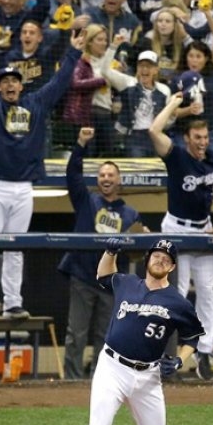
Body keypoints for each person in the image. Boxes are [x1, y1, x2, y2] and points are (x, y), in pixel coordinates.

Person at [62, 238, 204, 425]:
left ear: (172, 267)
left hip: (148, 376)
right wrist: (110, 252)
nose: (161, 260)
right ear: (148, 259)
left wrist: (179, 361)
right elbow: (103, 275)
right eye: (157, 255)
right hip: (112, 368)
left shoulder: (178, 302)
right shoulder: (127, 283)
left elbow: (193, 337)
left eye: (167, 259)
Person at [0, 23, 85, 319]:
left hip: (24, 187)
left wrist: (73, 53)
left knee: (16, 247)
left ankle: (12, 304)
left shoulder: (35, 104)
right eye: (5, 81)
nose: (10, 85)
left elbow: (58, 82)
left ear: (21, 85)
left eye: (14, 81)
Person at [149, 92, 213, 380]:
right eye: (197, 137)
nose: (203, 142)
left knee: (206, 291)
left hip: (203, 229)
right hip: (176, 229)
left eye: (205, 137)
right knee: (176, 292)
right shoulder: (177, 156)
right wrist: (173, 104)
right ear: (187, 139)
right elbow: (153, 130)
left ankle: (203, 351)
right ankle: (170, 350)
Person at [60, 127, 144, 379]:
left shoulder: (131, 214)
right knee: (76, 332)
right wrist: (80, 144)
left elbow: (136, 255)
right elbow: (73, 175)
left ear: (119, 180)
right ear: (98, 179)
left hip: (110, 283)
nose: (106, 178)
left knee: (106, 336)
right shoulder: (87, 201)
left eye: (111, 175)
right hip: (82, 276)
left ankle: (102, 380)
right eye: (102, 175)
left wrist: (141, 237)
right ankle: (72, 381)